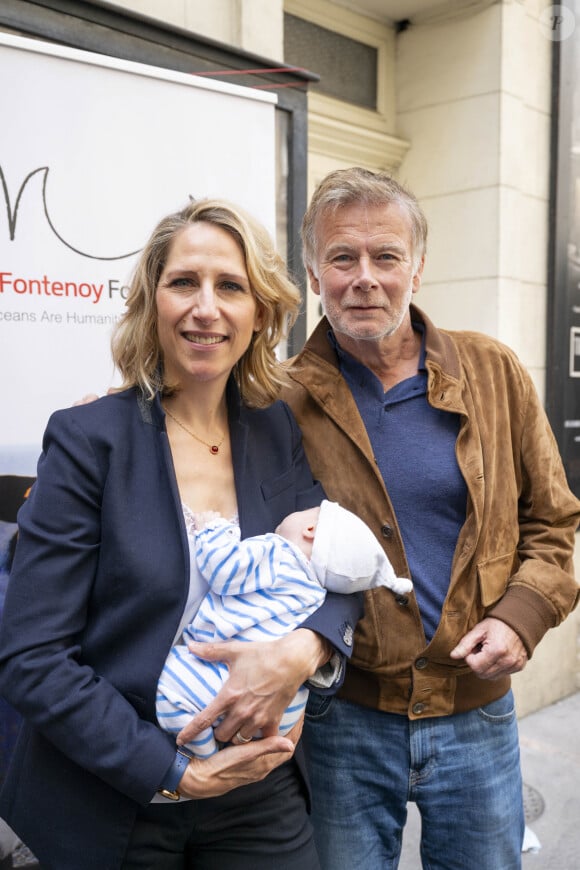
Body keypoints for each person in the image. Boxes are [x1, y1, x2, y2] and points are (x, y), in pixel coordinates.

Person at [176, 168, 580, 870]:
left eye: (385, 256)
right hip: (342, 720)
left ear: (417, 267)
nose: (364, 278)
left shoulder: (493, 372)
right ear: (312, 272)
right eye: (342, 258)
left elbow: (552, 520)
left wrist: (522, 616)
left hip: (475, 714)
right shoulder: (278, 401)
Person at [0, 198, 361, 870]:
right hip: (114, 794)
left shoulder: (275, 431)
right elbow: (32, 657)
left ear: (260, 314)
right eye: (183, 282)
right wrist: (172, 771)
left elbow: (335, 563)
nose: (205, 307)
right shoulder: (89, 441)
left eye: (230, 286)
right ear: (151, 301)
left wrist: (307, 650)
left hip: (260, 789)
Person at [157, 500, 412, 758]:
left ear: (310, 529)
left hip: (221, 681)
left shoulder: (278, 553)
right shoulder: (316, 593)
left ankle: (206, 755)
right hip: (281, 712)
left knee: (168, 682)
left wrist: (211, 530)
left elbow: (225, 572)